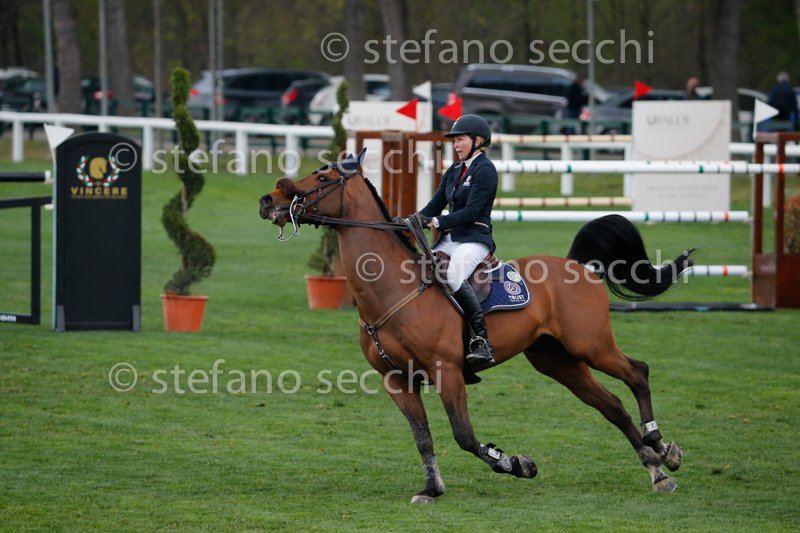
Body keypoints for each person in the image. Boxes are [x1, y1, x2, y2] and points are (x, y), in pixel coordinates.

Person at [415, 114, 498, 368]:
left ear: (477, 141)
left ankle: (480, 341)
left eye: (460, 139)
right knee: (420, 270)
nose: (456, 145)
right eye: (455, 140)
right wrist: (412, 219)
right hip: (451, 239)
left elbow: (472, 212)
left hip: (474, 239)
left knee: (452, 275)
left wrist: (438, 222)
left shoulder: (485, 170)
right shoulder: (454, 170)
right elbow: (435, 205)